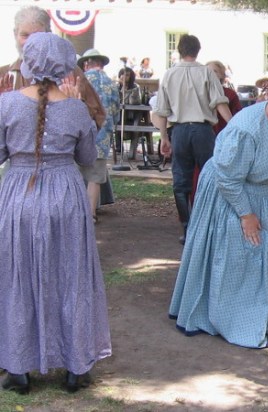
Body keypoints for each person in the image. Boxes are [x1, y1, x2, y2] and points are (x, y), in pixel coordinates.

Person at [0, 32, 111, 395]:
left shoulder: (7, 104)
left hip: (19, 195)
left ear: (28, 63)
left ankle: (17, 368)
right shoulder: (76, 108)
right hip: (65, 197)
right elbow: (87, 160)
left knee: (17, 277)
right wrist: (80, 112)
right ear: (66, 65)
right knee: (71, 278)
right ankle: (75, 368)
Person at [168, 79, 268, 349]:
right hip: (229, 190)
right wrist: (246, 215)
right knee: (239, 253)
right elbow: (229, 177)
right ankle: (234, 315)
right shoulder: (245, 129)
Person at [0, 6, 105, 181]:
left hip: (62, 172)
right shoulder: (4, 75)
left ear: (49, 35)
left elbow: (98, 115)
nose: (31, 43)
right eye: (25, 35)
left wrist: (73, 108)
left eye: (38, 36)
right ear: (15, 35)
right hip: (18, 174)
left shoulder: (71, 73)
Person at [152, 34, 232, 245]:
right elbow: (219, 103)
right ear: (198, 50)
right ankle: (208, 226)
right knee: (211, 177)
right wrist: (233, 126)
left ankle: (188, 229)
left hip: (179, 131)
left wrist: (163, 137)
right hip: (203, 130)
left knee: (181, 182)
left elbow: (161, 110)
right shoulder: (206, 72)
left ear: (179, 50)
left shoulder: (169, 74)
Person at [78, 49, 120, 223]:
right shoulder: (111, 83)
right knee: (95, 176)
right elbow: (116, 111)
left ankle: (78, 212)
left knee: (79, 173)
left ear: (87, 63)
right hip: (103, 135)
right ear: (101, 64)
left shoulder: (82, 81)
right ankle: (91, 214)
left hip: (81, 133)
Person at [206, 60, 242, 135]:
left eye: (214, 71)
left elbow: (237, 115)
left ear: (222, 75)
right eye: (208, 71)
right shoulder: (200, 93)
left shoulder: (230, 94)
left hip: (224, 133)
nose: (210, 74)